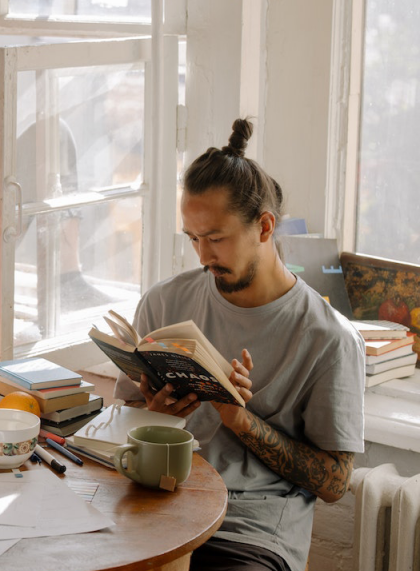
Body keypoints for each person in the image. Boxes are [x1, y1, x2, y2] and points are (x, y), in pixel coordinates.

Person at [113, 119, 364, 571]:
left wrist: (239, 420)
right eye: (192, 238)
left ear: (264, 227)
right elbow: (122, 425)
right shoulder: (164, 301)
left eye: (216, 238)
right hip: (157, 503)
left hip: (248, 531)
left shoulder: (330, 338)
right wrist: (155, 416)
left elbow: (335, 483)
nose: (204, 256)